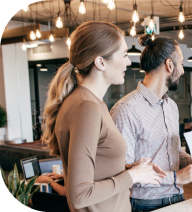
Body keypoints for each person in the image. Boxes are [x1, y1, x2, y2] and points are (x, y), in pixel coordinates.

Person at [41, 21, 165, 212]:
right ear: (100, 62)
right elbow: (79, 195)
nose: (129, 62)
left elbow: (96, 170)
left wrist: (130, 169)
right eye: (124, 55)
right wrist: (133, 176)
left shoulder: (90, 103)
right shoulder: (86, 107)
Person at [110, 35, 192, 212]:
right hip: (145, 204)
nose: (183, 71)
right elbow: (124, 171)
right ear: (170, 65)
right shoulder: (126, 109)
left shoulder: (171, 106)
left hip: (178, 199)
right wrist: (177, 177)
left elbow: (175, 152)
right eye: (182, 64)